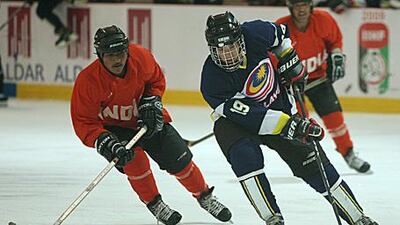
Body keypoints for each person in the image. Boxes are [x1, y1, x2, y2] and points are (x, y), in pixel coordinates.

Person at [200, 11, 378, 225]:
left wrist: (288, 57)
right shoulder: (211, 80)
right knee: (245, 158)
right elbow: (252, 117)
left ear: (241, 39)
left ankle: (357, 217)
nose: (226, 54)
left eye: (230, 46)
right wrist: (291, 125)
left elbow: (281, 33)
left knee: (315, 165)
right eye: (220, 49)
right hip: (239, 125)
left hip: (281, 109)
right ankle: (272, 218)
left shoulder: (255, 32)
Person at [70, 25, 232, 225]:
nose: (117, 59)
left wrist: (151, 99)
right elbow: (84, 122)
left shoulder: (141, 57)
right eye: (110, 55)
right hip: (116, 129)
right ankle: (155, 204)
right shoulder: (88, 81)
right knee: (134, 161)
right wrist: (105, 142)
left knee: (179, 159)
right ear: (100, 54)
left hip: (148, 119)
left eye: (120, 53)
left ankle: (205, 196)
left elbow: (156, 81)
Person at [275, 0, 371, 173]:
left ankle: (348, 153)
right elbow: (272, 58)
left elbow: (335, 41)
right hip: (292, 84)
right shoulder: (281, 28)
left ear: (310, 5)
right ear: (290, 8)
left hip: (318, 77)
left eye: (304, 4)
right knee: (300, 124)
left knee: (335, 119)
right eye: (297, 6)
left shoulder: (324, 19)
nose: (301, 9)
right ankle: (308, 157)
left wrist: (336, 54)